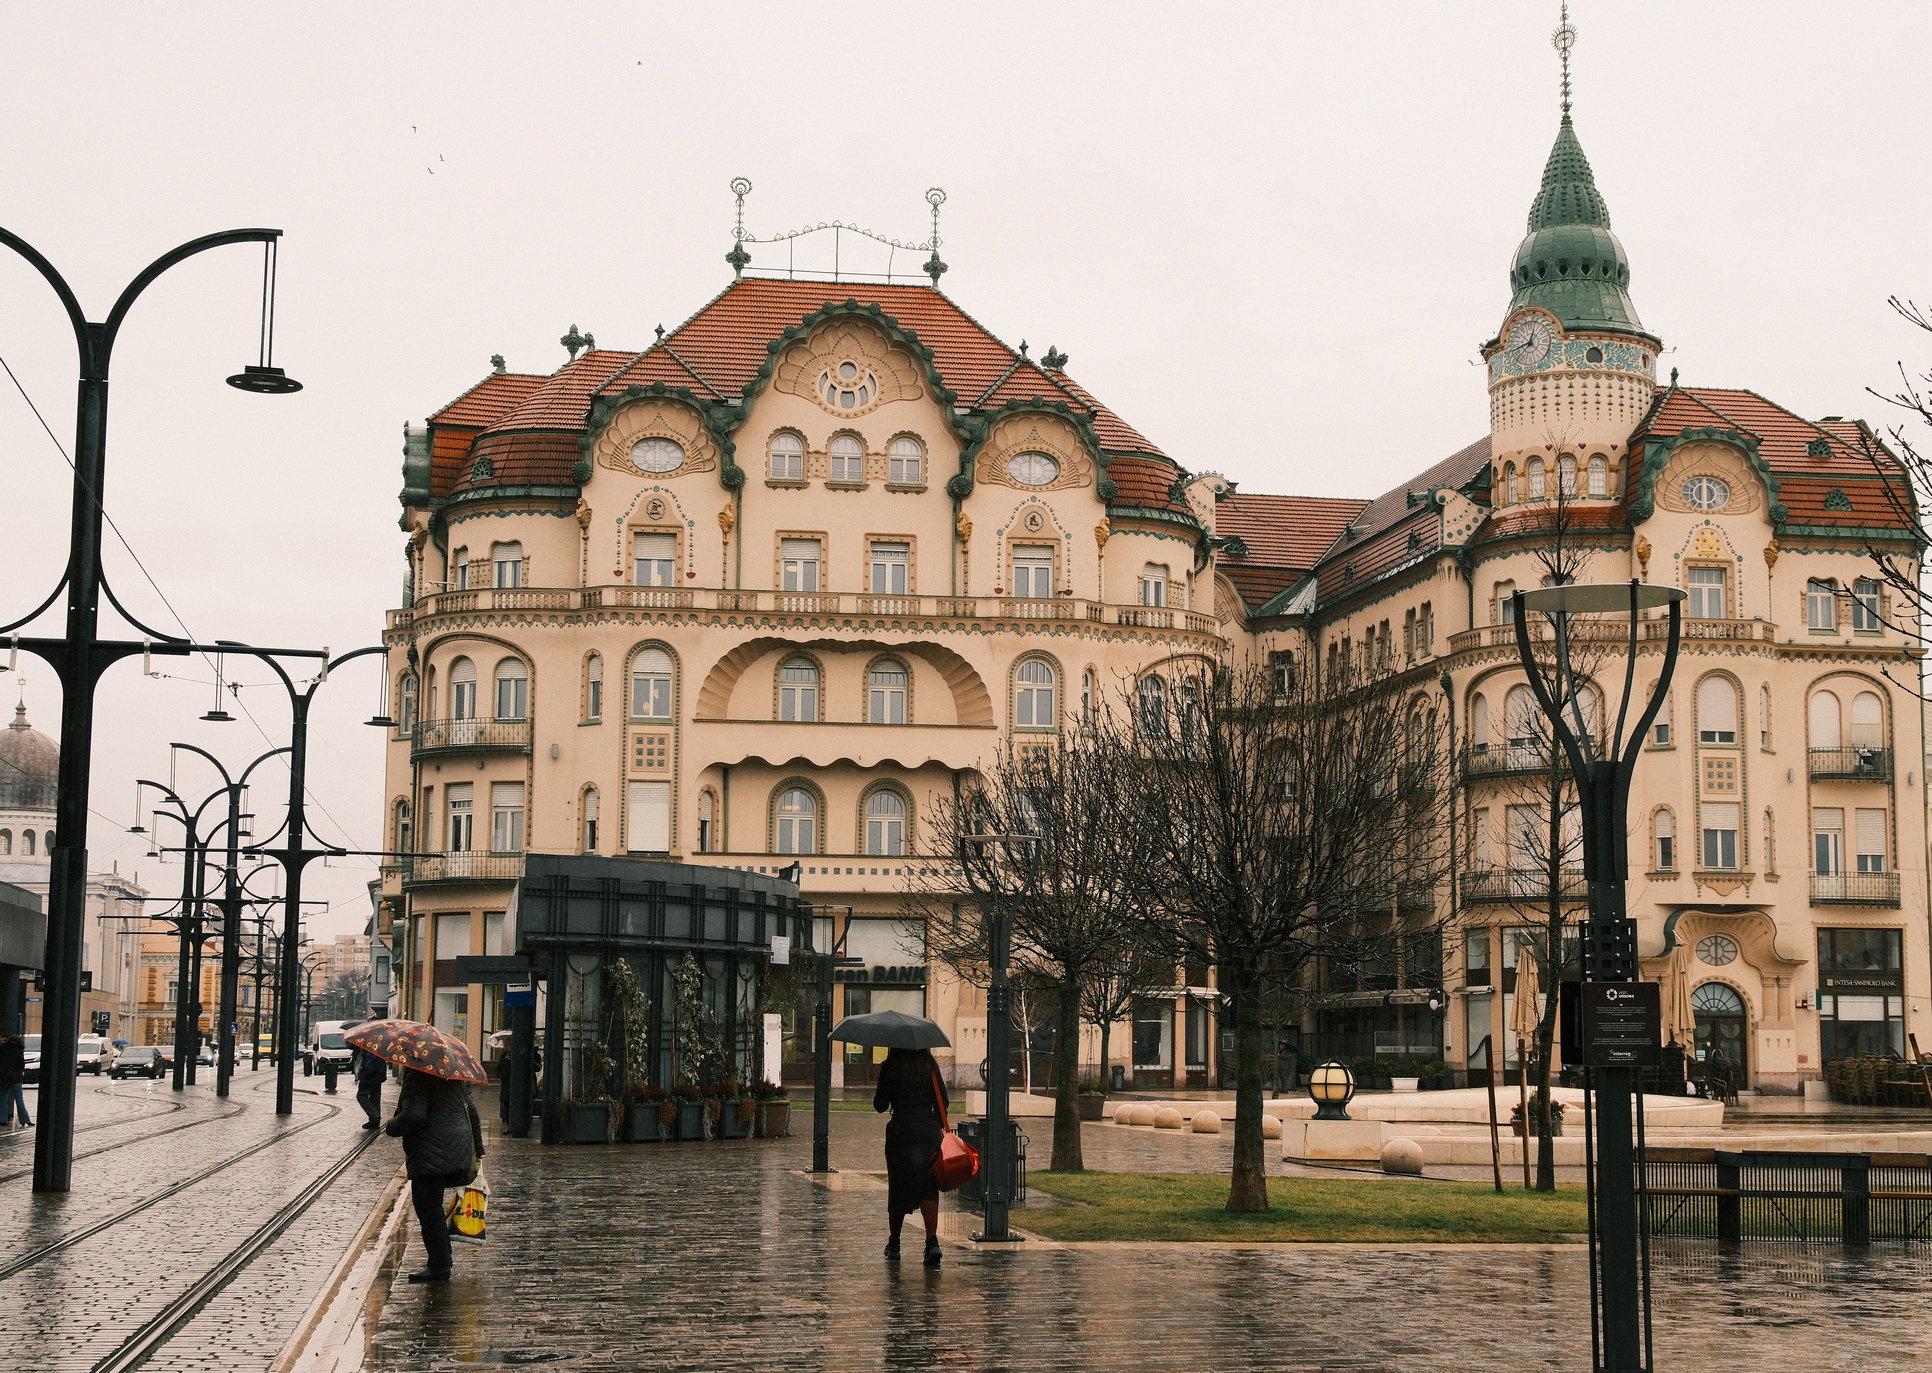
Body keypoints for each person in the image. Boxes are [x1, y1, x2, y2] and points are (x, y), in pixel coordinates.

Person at [384, 1067, 485, 1283]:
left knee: (427, 1206)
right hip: (457, 1144)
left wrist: (392, 1125)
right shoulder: (451, 1071)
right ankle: (442, 1257)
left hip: (431, 1149)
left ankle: (439, 1265)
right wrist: (478, 1146)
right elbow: (471, 1109)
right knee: (432, 1205)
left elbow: (414, 1116)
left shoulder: (417, 1074)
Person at [872, 1046, 946, 1267]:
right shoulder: (929, 1066)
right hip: (927, 1132)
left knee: (898, 1187)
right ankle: (932, 1241)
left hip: (900, 1134)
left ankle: (894, 1244)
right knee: (928, 1186)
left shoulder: (890, 1067)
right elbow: (944, 1101)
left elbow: (880, 1105)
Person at [354, 1047, 389, 1130]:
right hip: (379, 1075)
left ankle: (374, 1115)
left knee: (361, 1096)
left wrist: (365, 1073)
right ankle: (374, 1122)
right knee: (375, 1097)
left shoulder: (371, 1046)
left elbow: (370, 1062)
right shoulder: (380, 1045)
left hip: (370, 1076)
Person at [0, 1034, 28, 1128]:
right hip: (16, 1078)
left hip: (3, 1078)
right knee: (19, 1099)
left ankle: (2, 1119)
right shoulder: (19, 1050)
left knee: (2, 1099)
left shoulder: (3, 1049)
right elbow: (21, 1064)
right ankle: (25, 1120)